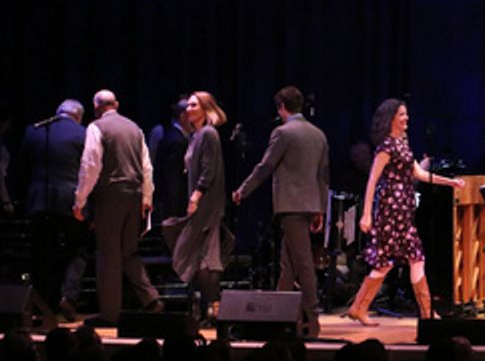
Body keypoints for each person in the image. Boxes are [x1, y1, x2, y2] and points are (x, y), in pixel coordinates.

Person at [345, 98, 465, 325]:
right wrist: (367, 213)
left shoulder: (403, 144)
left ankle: (421, 312)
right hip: (390, 211)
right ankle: (363, 308)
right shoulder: (387, 146)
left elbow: (419, 174)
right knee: (392, 261)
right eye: (401, 114)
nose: (406, 118)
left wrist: (450, 182)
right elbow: (373, 179)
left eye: (406, 114)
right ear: (391, 118)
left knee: (407, 258)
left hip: (403, 212)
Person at [232, 86, 330, 338]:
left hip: (291, 206)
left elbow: (265, 166)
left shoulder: (283, 132)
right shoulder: (319, 134)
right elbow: (323, 177)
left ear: (281, 107)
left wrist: (243, 190)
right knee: (288, 265)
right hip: (308, 205)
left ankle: (313, 320)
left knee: (303, 263)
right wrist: (319, 209)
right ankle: (278, 317)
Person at [73, 89, 163, 323]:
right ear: (117, 104)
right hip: (134, 196)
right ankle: (151, 298)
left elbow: (90, 165)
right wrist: (146, 199)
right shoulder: (135, 128)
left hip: (110, 195)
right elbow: (147, 167)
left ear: (95, 108)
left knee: (108, 255)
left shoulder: (96, 127)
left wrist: (80, 200)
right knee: (129, 252)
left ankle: (110, 314)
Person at [19, 99, 89, 319]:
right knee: (78, 247)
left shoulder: (34, 131)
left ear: (58, 112)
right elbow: (89, 170)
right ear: (78, 116)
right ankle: (68, 297)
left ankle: (40, 303)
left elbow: (21, 168)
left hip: (38, 201)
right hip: (70, 201)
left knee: (41, 251)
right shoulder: (83, 133)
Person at [168, 92, 227, 320]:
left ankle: (215, 306)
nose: (188, 108)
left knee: (205, 257)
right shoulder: (196, 136)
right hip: (200, 203)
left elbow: (208, 170)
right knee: (199, 256)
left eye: (194, 105)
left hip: (207, 204)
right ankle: (208, 306)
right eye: (188, 105)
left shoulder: (209, 134)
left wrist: (196, 197)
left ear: (205, 108)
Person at [148, 97, 190, 223]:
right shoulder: (177, 141)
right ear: (183, 117)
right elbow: (173, 178)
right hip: (174, 204)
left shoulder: (172, 136)